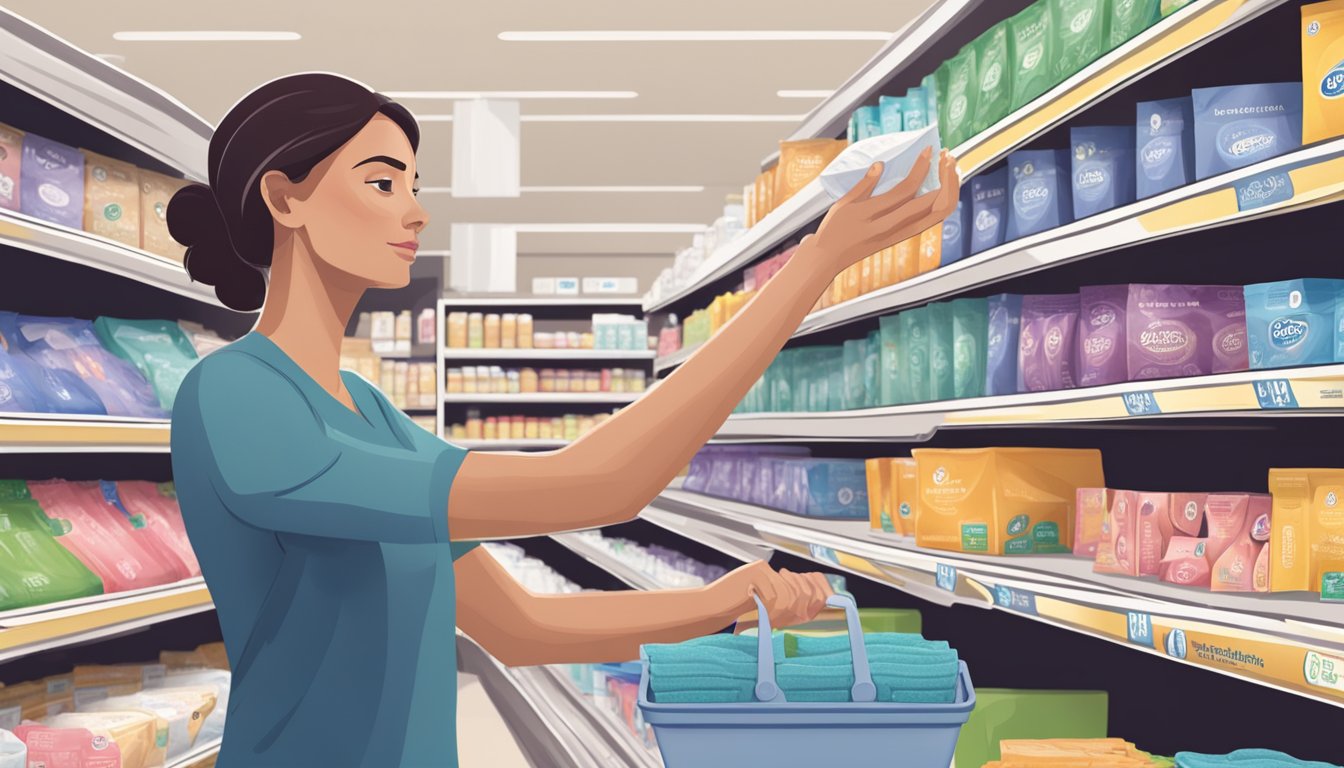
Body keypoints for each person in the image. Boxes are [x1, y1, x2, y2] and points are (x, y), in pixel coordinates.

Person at [168, 72, 959, 768]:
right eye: (383, 184)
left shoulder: (367, 408)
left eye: (415, 185)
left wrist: (726, 601)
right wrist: (814, 265)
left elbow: (521, 625)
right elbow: (601, 486)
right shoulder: (235, 399)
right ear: (284, 198)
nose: (416, 214)